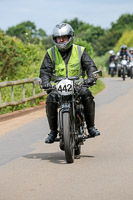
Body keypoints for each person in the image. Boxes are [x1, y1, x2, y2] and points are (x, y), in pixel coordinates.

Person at [40, 23, 100, 144]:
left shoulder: (80, 51)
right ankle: (53, 132)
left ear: (71, 37)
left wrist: (91, 77)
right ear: (54, 39)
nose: (61, 40)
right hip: (58, 87)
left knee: (87, 94)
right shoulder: (50, 53)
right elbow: (45, 71)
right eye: (58, 38)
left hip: (78, 86)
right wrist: (45, 82)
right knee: (50, 99)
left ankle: (91, 127)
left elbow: (90, 66)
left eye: (64, 37)